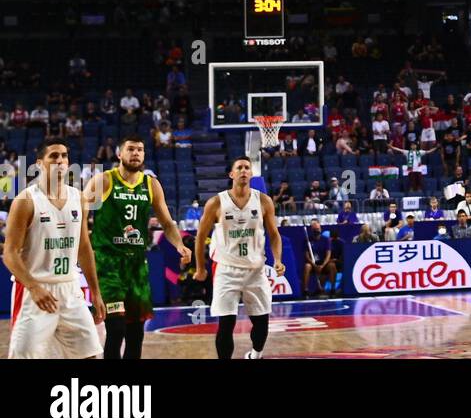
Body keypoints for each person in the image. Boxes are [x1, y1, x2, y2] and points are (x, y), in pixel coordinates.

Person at [83, 133, 191, 359]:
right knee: (116, 330)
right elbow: (78, 215)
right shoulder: (104, 180)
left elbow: (168, 223)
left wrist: (180, 245)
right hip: (108, 264)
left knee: (136, 335)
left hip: (136, 266)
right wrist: (84, 246)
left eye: (139, 150)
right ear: (119, 153)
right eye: (130, 149)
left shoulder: (151, 184)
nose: (135, 153)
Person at [4, 137, 105, 358]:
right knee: (24, 356)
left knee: (89, 353)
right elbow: (9, 254)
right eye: (53, 156)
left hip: (70, 288)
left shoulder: (79, 197)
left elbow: (84, 247)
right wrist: (33, 287)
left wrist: (96, 292)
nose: (60, 161)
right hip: (35, 290)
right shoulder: (26, 200)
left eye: (64, 156)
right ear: (39, 163)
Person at [194, 156, 285, 359]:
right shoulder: (216, 202)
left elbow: (274, 235)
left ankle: (256, 353)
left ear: (251, 173)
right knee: (226, 324)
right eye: (239, 168)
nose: (244, 170)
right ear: (231, 174)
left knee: (261, 324)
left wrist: (278, 260)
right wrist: (201, 268)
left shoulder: (263, 201)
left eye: (247, 167)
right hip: (227, 269)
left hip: (256, 270)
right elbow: (200, 237)